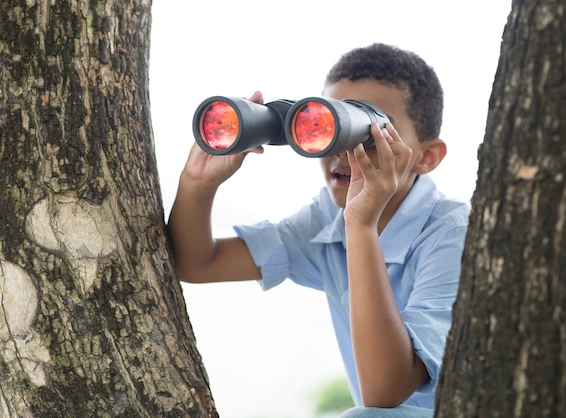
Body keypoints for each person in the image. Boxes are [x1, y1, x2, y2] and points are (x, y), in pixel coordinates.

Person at [168, 43, 470, 417]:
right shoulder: (327, 220)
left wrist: (361, 225)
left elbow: (383, 391)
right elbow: (198, 264)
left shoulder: (454, 235)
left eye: (368, 132)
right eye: (326, 126)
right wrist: (198, 183)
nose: (342, 153)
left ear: (427, 157)